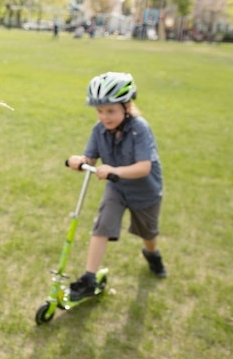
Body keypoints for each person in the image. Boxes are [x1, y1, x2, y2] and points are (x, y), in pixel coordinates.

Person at [66, 71, 166, 302]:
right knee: (102, 225)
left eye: (110, 111)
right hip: (116, 188)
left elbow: (143, 167)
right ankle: (89, 278)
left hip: (145, 191)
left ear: (127, 106)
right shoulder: (99, 129)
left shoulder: (139, 129)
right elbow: (90, 159)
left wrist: (114, 171)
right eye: (100, 111)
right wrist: (80, 161)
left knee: (148, 232)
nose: (104, 117)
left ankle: (151, 253)